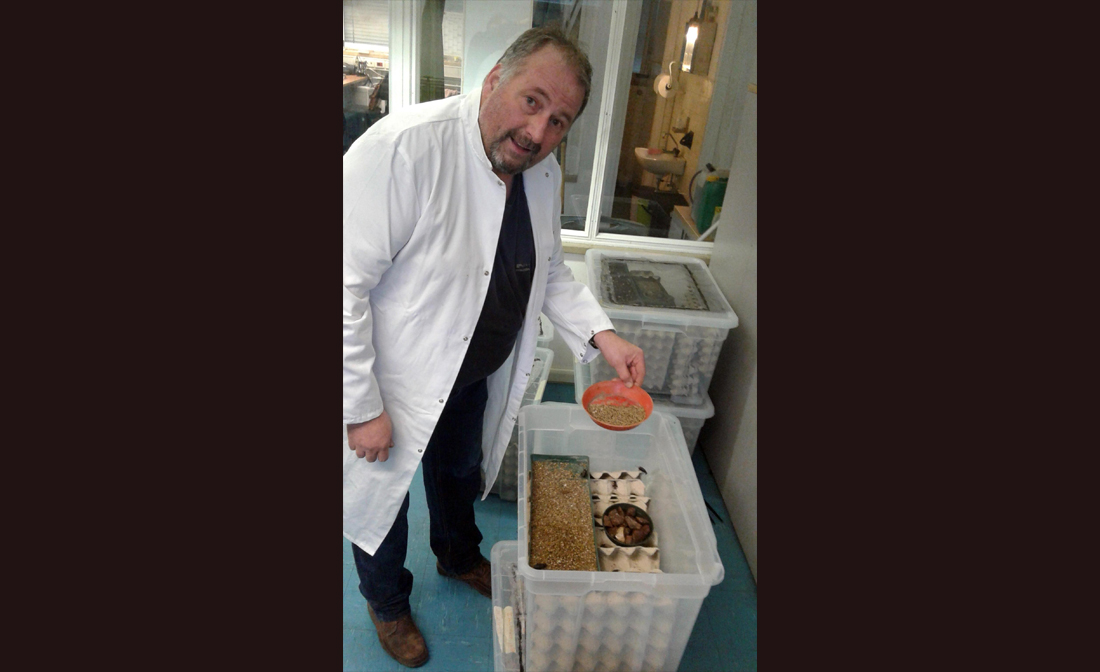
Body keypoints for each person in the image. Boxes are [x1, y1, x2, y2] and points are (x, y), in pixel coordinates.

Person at [343, 25, 645, 668]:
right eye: (532, 101)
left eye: (559, 120)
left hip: (472, 371)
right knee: (383, 501)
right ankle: (387, 603)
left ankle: (457, 556)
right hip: (392, 380)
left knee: (458, 473)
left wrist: (603, 334)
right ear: (492, 82)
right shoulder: (404, 150)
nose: (538, 132)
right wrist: (360, 408)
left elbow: (549, 270)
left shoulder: (539, 172)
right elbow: (340, 287)